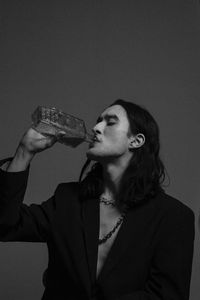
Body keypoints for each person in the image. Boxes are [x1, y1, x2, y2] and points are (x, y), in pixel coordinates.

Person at [0, 99, 195, 300]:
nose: (96, 128)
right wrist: (24, 152)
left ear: (136, 141)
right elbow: (6, 225)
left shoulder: (174, 217)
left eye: (110, 122)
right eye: (98, 121)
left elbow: (167, 295)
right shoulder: (68, 199)